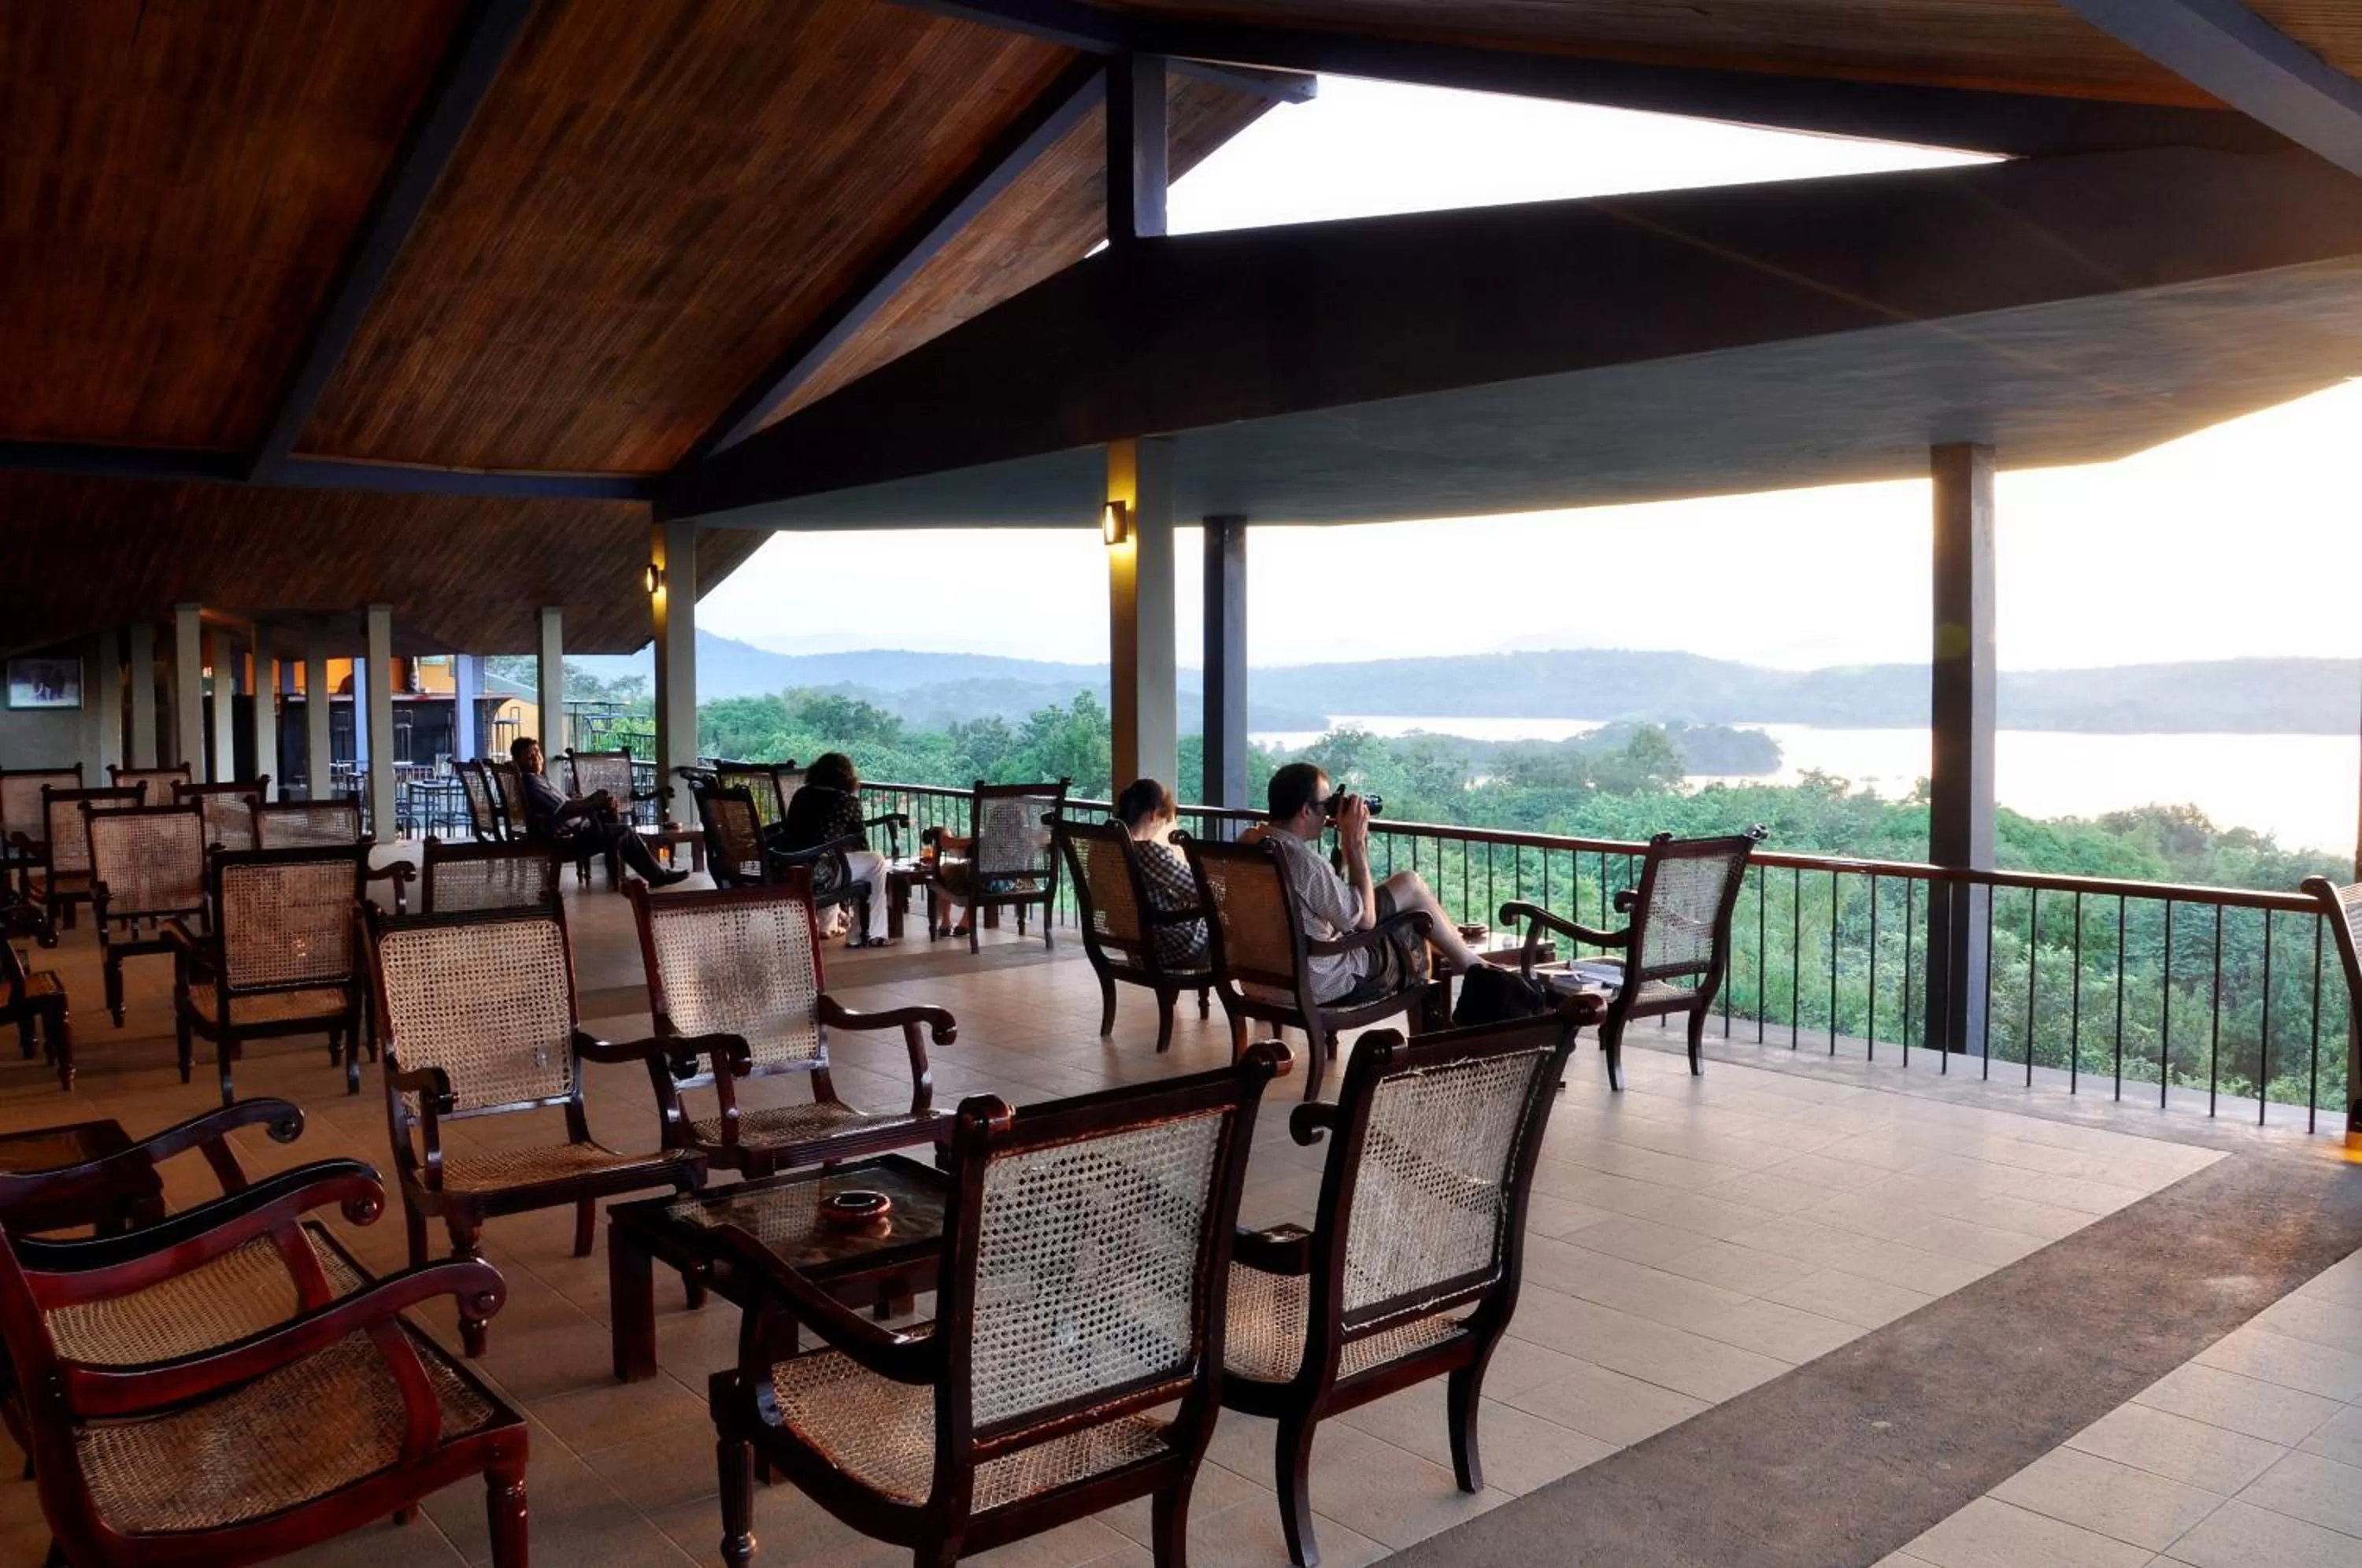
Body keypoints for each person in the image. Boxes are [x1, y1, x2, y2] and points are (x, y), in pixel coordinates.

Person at [1257, 761, 1488, 1004]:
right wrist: (1355, 844)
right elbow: (1365, 920)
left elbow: (1327, 908)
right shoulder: (1301, 862)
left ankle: (1469, 963)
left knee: (1409, 885)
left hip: (1262, 979)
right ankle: (1470, 968)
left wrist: (1347, 849)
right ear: (1305, 811)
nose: (1328, 815)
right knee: (1412, 921)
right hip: (1320, 983)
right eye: (1326, 805)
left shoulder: (1251, 845)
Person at [509, 737, 689, 889]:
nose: (537, 758)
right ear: (518, 760)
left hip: (565, 830)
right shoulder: (532, 783)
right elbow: (562, 809)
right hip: (566, 838)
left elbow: (562, 805)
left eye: (537, 753)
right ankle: (654, 876)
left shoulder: (533, 780)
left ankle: (627, 874)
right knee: (623, 831)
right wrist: (593, 803)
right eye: (529, 756)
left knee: (611, 816)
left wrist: (591, 802)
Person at [778, 752, 890, 946]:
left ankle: (829, 924)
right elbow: (860, 842)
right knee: (876, 862)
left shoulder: (802, 794)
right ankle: (870, 933)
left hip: (792, 868)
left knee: (835, 857)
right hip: (822, 875)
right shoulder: (846, 800)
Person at [1114, 777, 1207, 970]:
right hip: (1171, 948)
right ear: (1154, 815)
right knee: (1238, 933)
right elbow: (1201, 890)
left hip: (1135, 947)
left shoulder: (1106, 848)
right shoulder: (1148, 851)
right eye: (1164, 822)